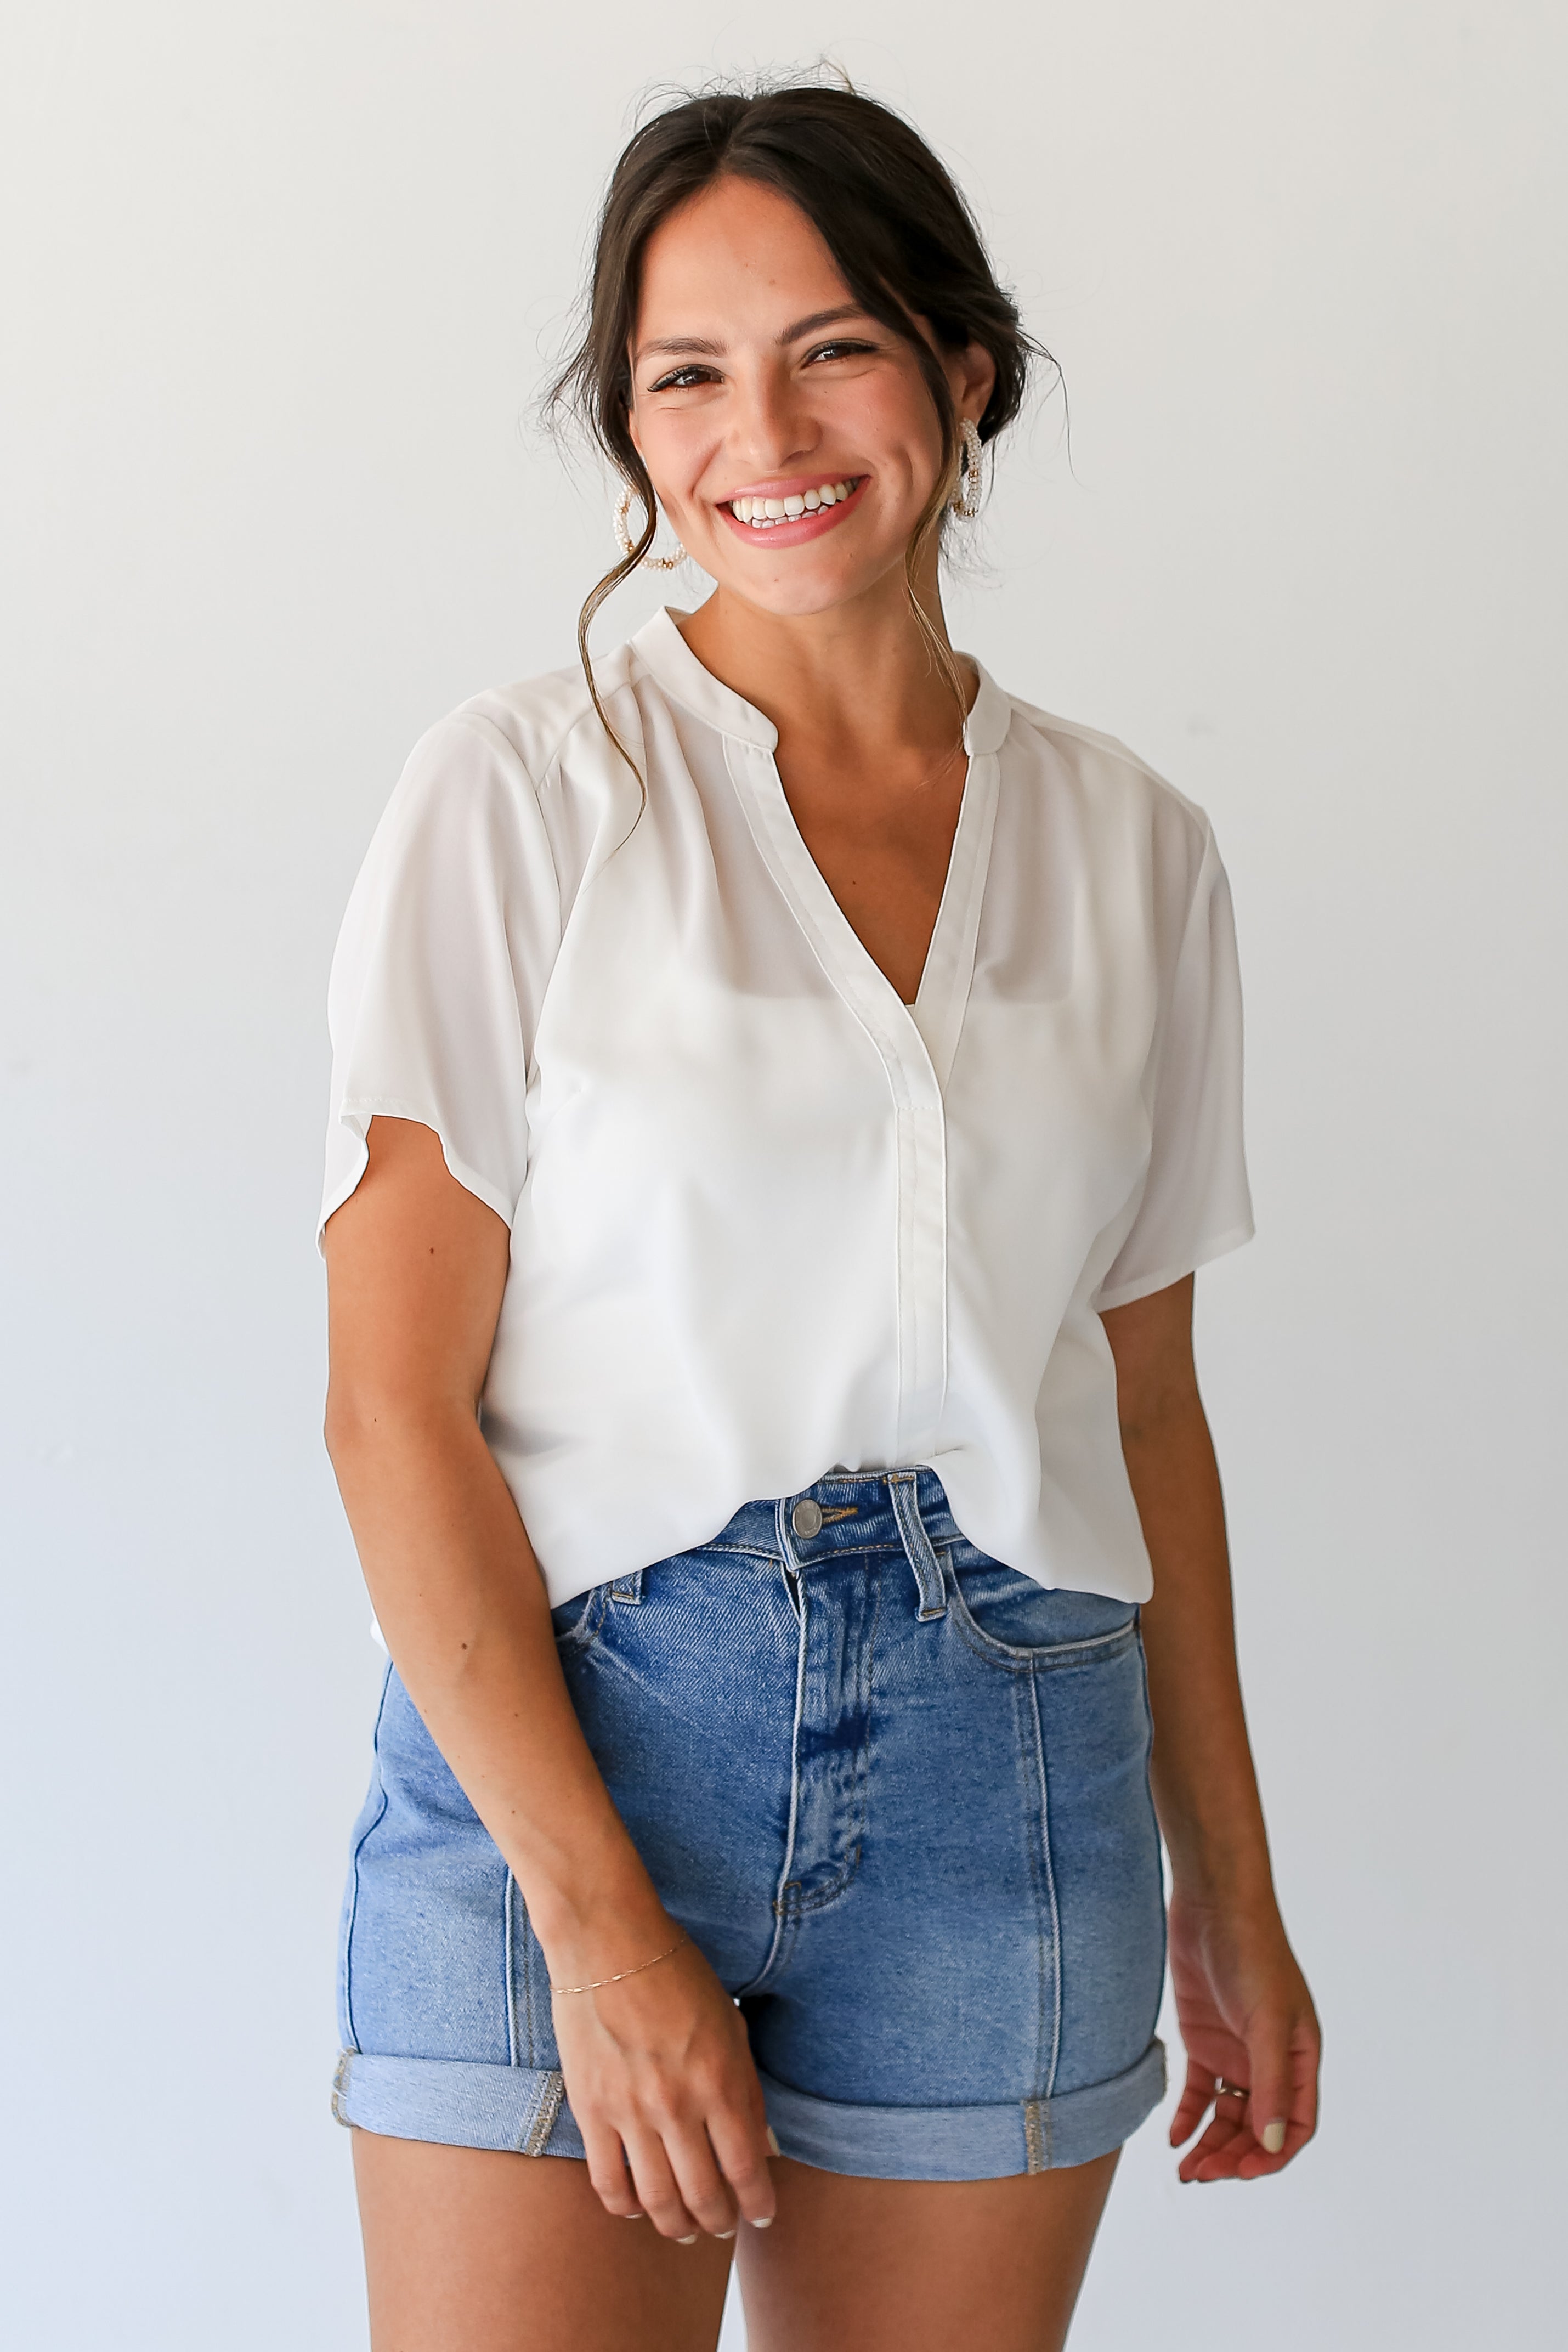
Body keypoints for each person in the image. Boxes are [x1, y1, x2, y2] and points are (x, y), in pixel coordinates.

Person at [318, 81, 1321, 2352]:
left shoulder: (1133, 848)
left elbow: (1145, 1406)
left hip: (1013, 1775)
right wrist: (594, 1920)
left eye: (831, 347)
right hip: (567, 1747)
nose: (760, 427)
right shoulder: (523, 790)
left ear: (958, 374)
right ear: (628, 425)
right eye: (685, 374)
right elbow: (391, 1407)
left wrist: (1231, 1896)